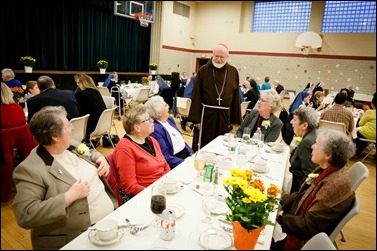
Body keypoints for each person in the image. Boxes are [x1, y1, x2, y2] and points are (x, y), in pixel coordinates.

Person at [12, 106, 118, 250]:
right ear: (55, 137)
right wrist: (69, 196)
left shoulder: (69, 145)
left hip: (108, 223)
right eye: (68, 125)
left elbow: (89, 151)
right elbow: (25, 214)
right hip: (77, 239)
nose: (72, 127)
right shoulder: (30, 170)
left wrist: (100, 158)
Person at [271, 128, 356, 250]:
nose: (312, 146)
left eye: (316, 144)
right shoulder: (328, 170)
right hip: (296, 222)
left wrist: (279, 217)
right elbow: (302, 194)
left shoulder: (332, 185)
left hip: (302, 240)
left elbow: (308, 227)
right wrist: (279, 201)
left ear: (328, 155)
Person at [188, 43, 242, 151]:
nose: (218, 59)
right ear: (212, 55)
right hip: (206, 114)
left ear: (227, 57)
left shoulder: (233, 72)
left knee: (222, 144)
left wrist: (234, 119)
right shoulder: (203, 70)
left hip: (224, 115)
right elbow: (196, 95)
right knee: (204, 144)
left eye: (222, 57)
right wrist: (196, 119)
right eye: (216, 56)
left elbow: (235, 97)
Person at [112, 104, 171, 202]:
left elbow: (165, 165)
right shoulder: (124, 149)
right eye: (147, 119)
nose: (152, 121)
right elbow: (130, 186)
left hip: (161, 189)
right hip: (143, 196)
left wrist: (168, 183)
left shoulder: (151, 140)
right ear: (137, 127)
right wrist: (156, 194)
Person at [145, 95, 194, 169]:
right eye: (165, 105)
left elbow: (182, 141)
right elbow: (165, 156)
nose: (168, 106)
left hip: (186, 154)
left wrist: (192, 154)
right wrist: (185, 164)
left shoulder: (169, 120)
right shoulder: (155, 130)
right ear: (159, 113)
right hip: (175, 160)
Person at [289, 107, 318, 193]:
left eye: (294, 120)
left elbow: (309, 177)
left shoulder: (307, 142)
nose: (291, 122)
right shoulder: (313, 134)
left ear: (304, 125)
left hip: (298, 189)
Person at [74, 73, 107, 143]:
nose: (77, 85)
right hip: (103, 124)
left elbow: (79, 111)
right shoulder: (96, 92)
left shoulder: (81, 94)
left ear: (84, 82)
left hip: (91, 126)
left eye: (79, 82)